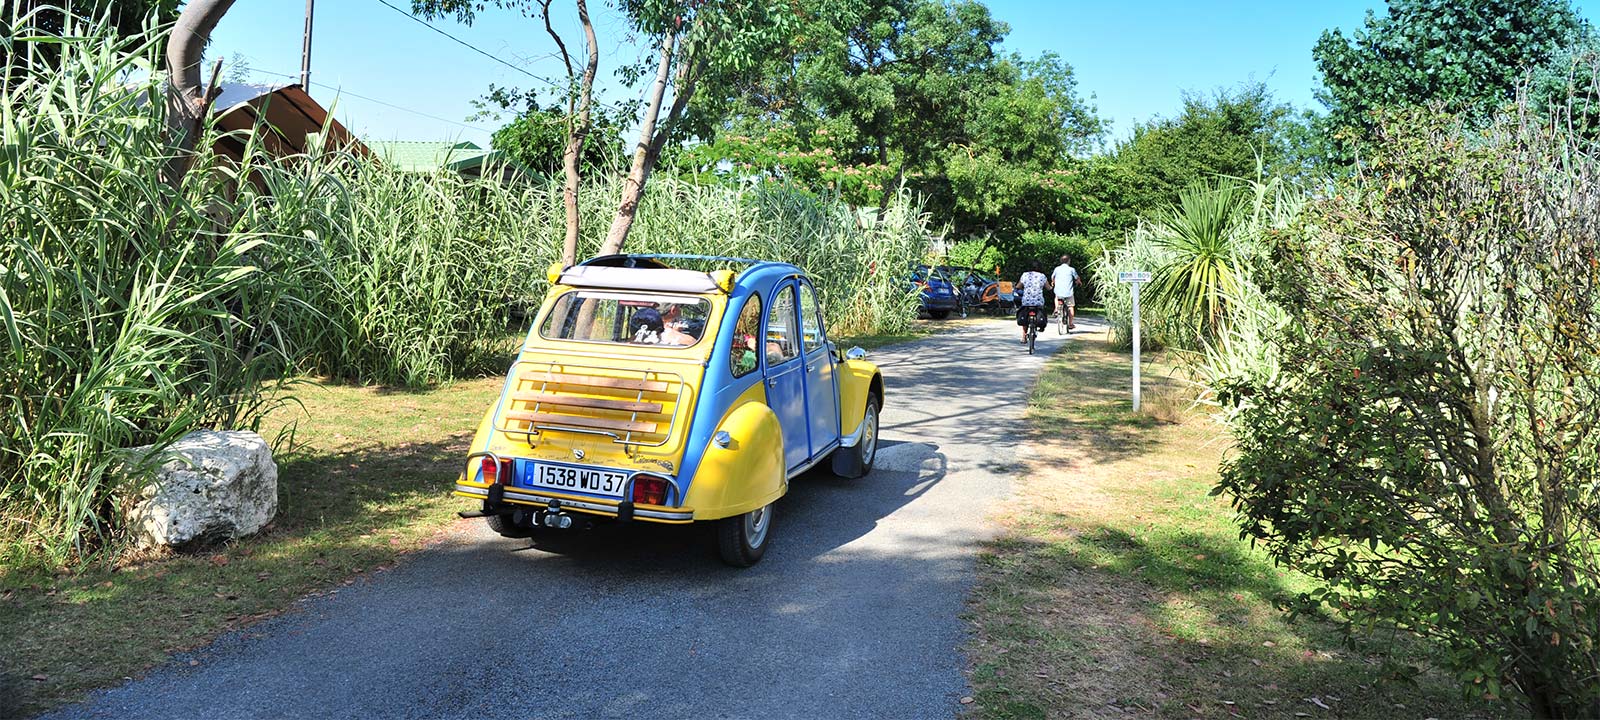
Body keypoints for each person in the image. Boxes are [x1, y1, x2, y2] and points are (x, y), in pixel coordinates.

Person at [1048, 254, 1083, 331]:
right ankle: (1070, 324)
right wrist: (1079, 282)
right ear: (1069, 261)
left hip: (1058, 291)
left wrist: (1053, 282)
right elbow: (1077, 278)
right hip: (1068, 292)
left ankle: (1057, 309)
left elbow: (1053, 277)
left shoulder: (1057, 269)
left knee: (1056, 297)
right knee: (1070, 306)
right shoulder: (1071, 269)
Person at [1015, 264, 1048, 344]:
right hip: (1038, 301)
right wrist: (1050, 288)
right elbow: (1048, 287)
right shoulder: (1042, 276)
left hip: (1026, 301)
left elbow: (1018, 286)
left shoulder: (1025, 275)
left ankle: (1024, 336)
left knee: (1025, 315)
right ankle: (1041, 326)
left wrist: (1018, 287)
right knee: (1041, 310)